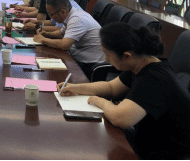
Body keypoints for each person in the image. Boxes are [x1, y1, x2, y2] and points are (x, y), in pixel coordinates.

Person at [58, 23, 190, 160]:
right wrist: (76, 88)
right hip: (148, 140)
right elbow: (111, 87)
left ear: (127, 56)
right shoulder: (141, 62)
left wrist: (99, 101)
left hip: (167, 153)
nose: (106, 59)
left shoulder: (154, 78)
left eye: (108, 55)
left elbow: (120, 118)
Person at [33, 0, 105, 79]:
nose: (51, 18)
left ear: (63, 11)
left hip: (91, 65)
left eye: (51, 14)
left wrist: (43, 40)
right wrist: (46, 33)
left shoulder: (77, 19)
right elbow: (61, 33)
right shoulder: (72, 15)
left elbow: (64, 45)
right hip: (80, 58)